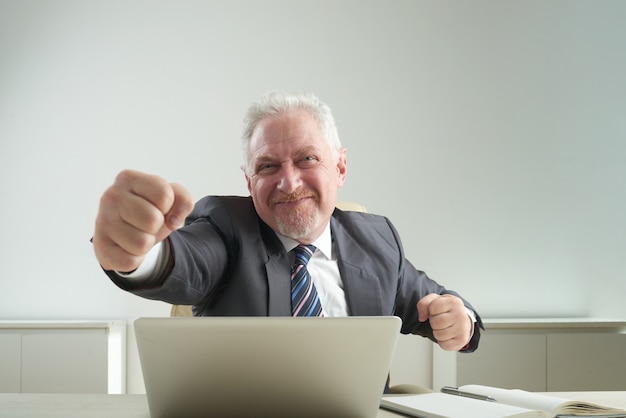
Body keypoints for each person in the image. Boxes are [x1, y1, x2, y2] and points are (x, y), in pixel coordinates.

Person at [93, 91, 483, 356]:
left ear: (340, 167)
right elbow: (185, 260)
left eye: (307, 159)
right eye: (267, 166)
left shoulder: (377, 239)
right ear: (249, 182)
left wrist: (459, 320)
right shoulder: (226, 225)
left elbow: (440, 305)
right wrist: (138, 253)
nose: (289, 182)